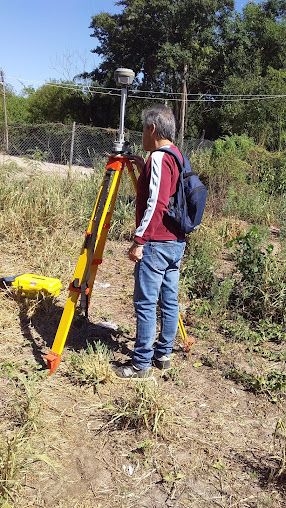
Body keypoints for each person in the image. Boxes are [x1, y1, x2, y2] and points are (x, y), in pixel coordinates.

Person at [115, 105, 186, 379]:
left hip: (156, 243)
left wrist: (139, 240)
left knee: (145, 304)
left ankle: (140, 364)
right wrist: (144, 168)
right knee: (169, 301)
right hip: (175, 242)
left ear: (152, 129)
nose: (142, 134)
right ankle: (163, 355)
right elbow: (167, 190)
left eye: (143, 128)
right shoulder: (175, 155)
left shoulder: (158, 156)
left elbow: (157, 203)